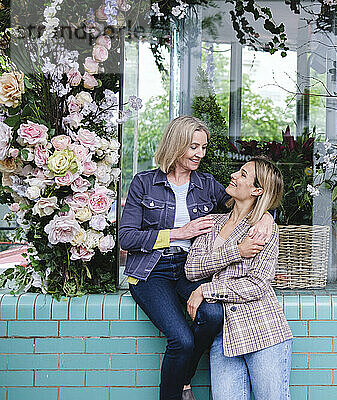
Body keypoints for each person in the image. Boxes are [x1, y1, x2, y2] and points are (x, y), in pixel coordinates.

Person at [118, 116, 273, 400]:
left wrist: (266, 216)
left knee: (213, 314)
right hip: (151, 272)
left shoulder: (206, 184)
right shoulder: (144, 183)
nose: (200, 154)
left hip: (191, 270)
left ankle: (183, 378)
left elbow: (244, 203)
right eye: (193, 147)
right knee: (181, 340)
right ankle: (177, 391)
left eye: (203, 147)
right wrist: (178, 233)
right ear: (176, 145)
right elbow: (126, 238)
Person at [185, 157, 293, 400]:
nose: (234, 175)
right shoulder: (212, 222)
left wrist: (207, 290)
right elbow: (192, 269)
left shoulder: (263, 229)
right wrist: (237, 251)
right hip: (224, 339)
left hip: (263, 332)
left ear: (257, 190)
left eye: (243, 174)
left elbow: (256, 285)